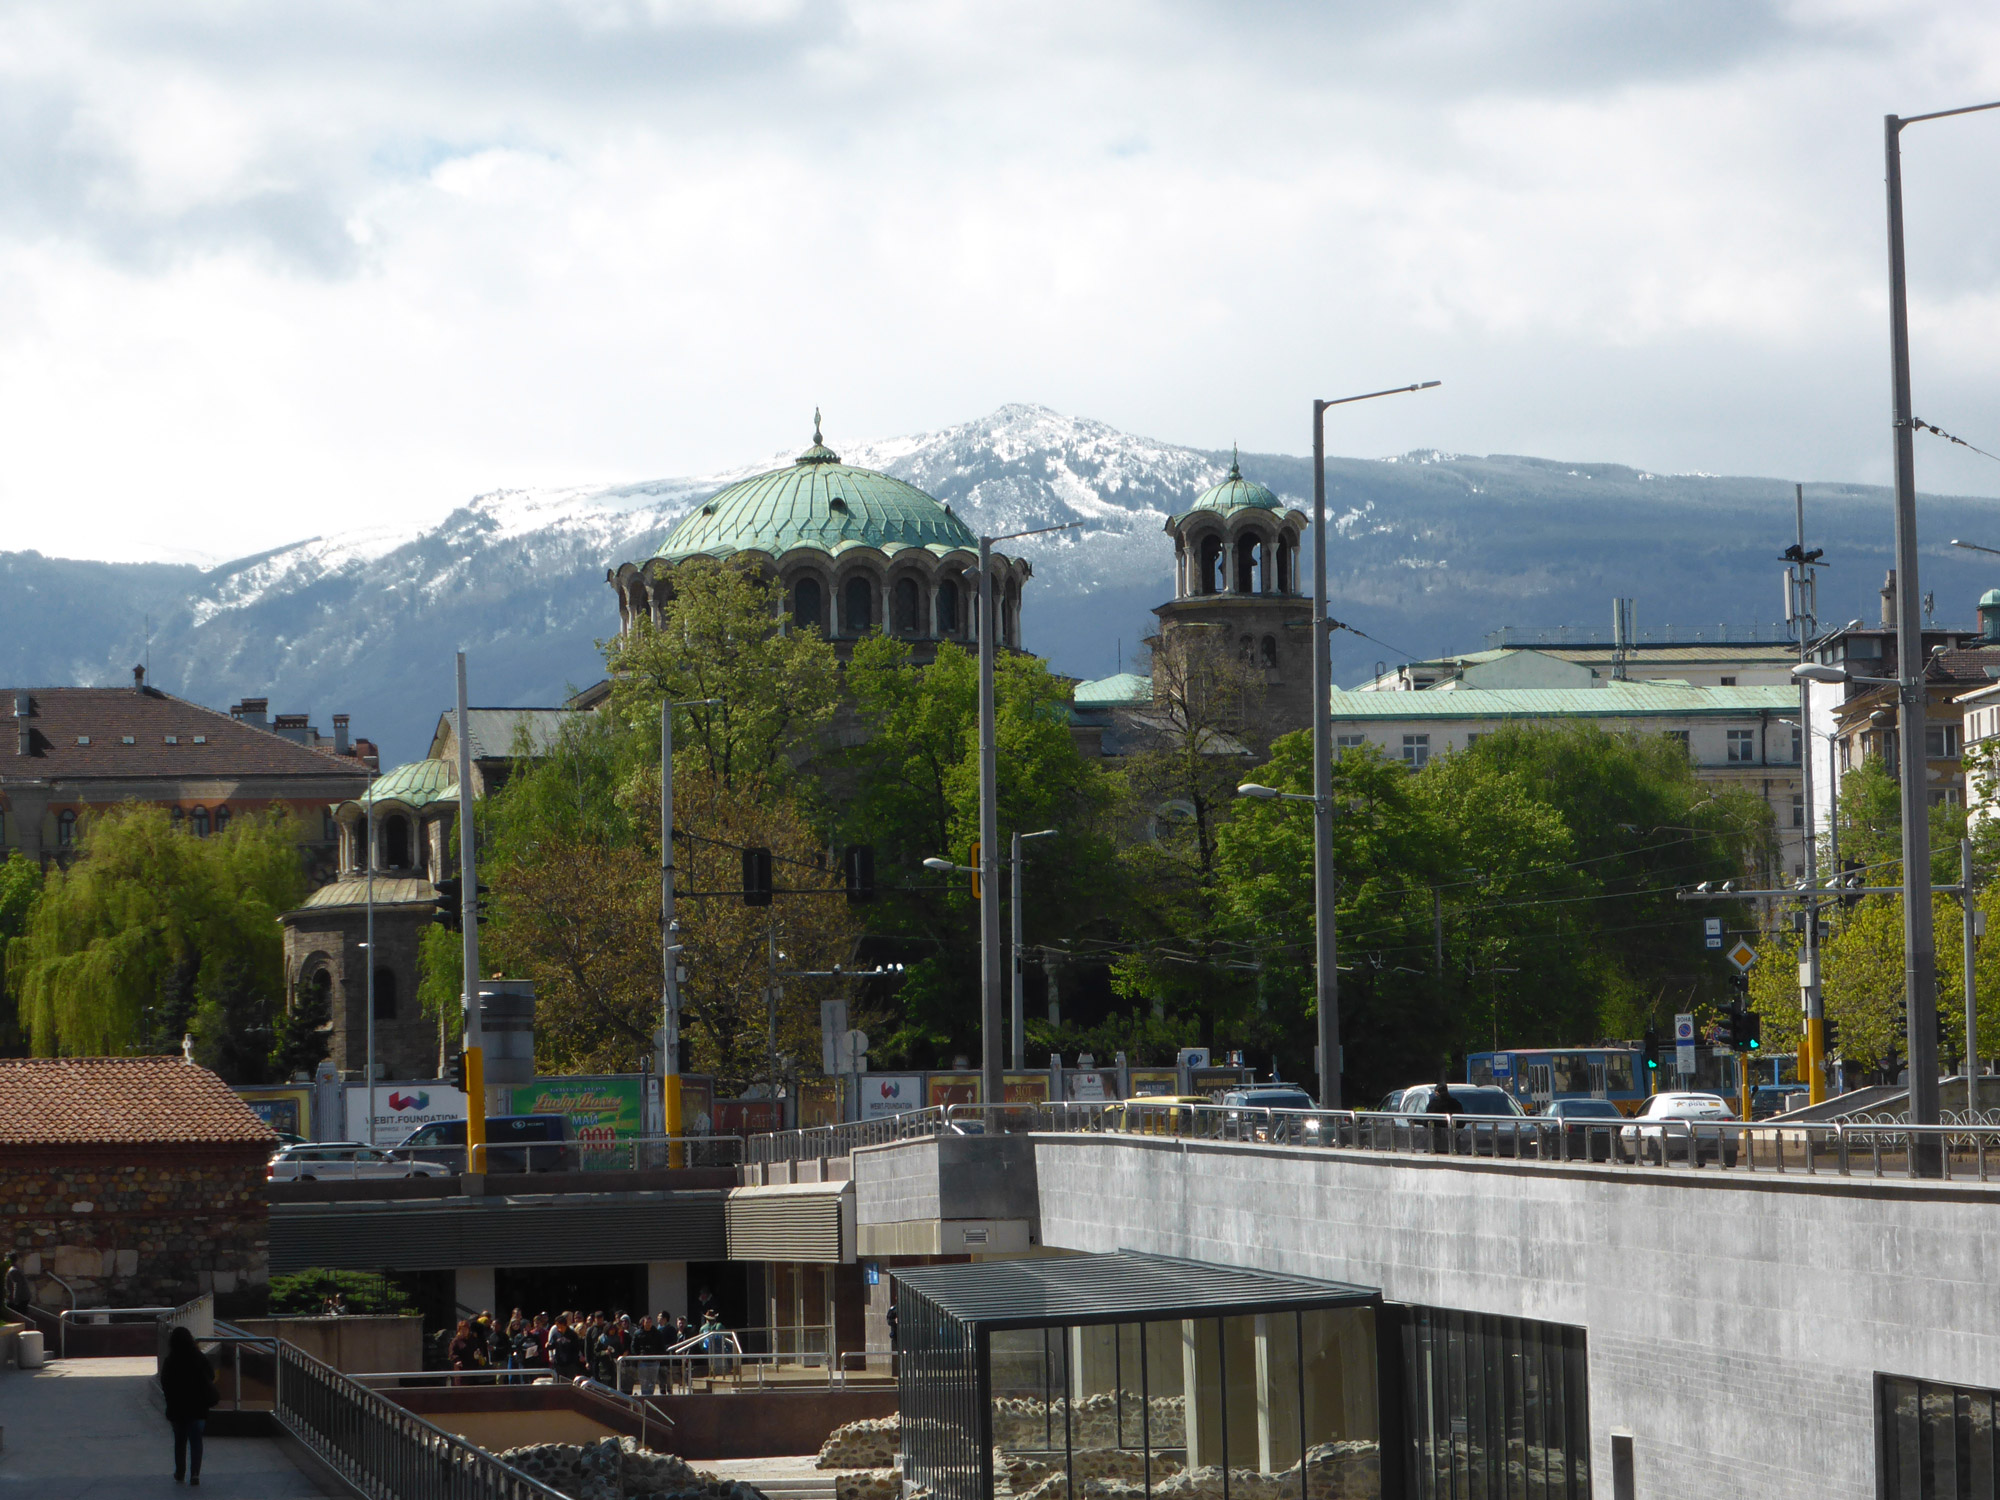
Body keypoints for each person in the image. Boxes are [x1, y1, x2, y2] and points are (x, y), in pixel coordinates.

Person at [161, 1325, 219, 1485]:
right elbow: (211, 1375)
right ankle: (195, 1474)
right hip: (198, 1407)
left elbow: (165, 1382)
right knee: (196, 1440)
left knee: (180, 1441)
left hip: (177, 1408)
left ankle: (180, 1472)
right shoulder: (199, 1357)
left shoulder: (170, 1360)